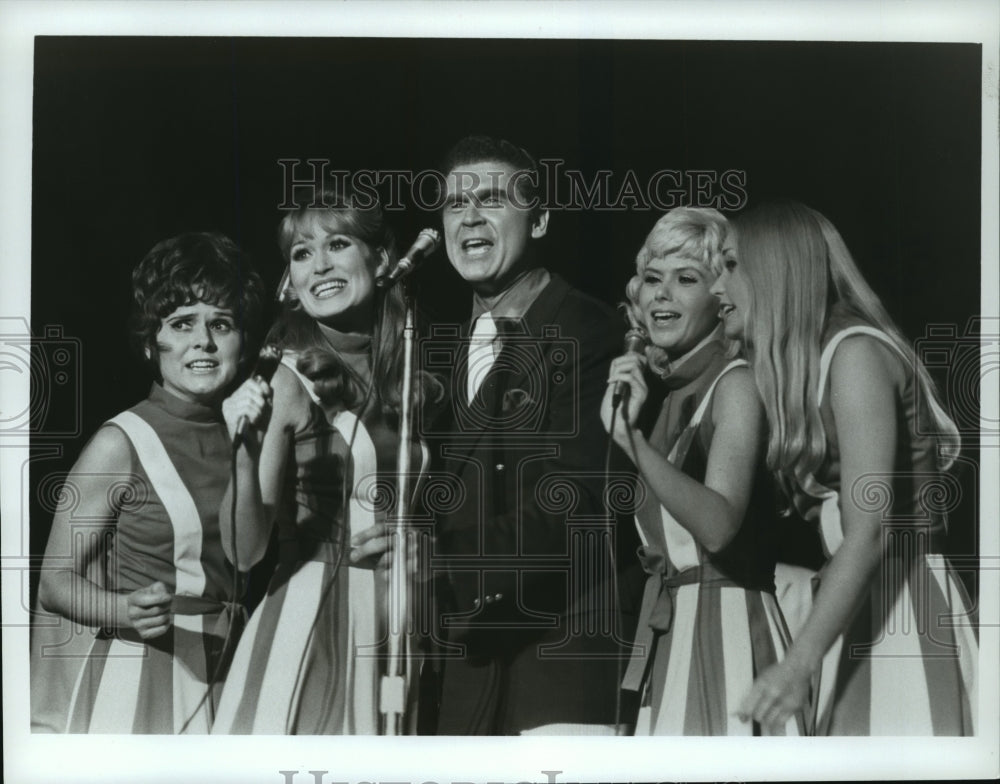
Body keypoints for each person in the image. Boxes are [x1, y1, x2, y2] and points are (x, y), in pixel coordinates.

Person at [718, 200, 977, 735]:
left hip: (901, 603)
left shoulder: (854, 353)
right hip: (856, 601)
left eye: (731, 265)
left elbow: (869, 531)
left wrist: (797, 663)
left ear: (775, 268)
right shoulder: (815, 362)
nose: (717, 287)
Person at [212, 185, 438, 734]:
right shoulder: (286, 381)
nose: (319, 266)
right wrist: (243, 454)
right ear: (291, 283)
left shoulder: (414, 381)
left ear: (380, 261)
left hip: (397, 627)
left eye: (337, 244)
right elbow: (244, 552)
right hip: (307, 628)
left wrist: (423, 545)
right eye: (302, 253)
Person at [426, 135, 632, 735]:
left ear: (538, 221)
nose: (470, 217)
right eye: (455, 203)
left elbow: (580, 501)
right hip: (468, 670)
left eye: (492, 200)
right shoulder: (443, 347)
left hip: (560, 659)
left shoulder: (589, 330)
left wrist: (438, 562)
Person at [36, 232, 265, 733]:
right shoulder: (119, 442)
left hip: (233, 673)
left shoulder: (251, 438)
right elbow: (54, 583)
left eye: (221, 324)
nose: (204, 341)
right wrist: (122, 609)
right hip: (141, 675)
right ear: (148, 342)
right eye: (182, 324)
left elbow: (251, 558)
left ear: (242, 341)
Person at [600, 207, 799, 736]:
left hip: (728, 632)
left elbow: (718, 525)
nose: (661, 295)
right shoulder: (664, 399)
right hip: (673, 636)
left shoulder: (736, 383)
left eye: (686, 279)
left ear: (721, 297)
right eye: (652, 279)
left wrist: (631, 443)